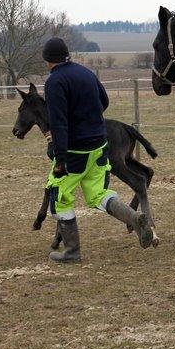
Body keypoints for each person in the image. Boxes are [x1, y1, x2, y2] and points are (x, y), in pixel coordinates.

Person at [41, 37, 154, 262]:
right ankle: (134, 218)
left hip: (75, 152)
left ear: (47, 60)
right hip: (99, 146)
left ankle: (72, 252)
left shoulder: (54, 82)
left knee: (59, 196)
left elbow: (59, 123)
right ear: (67, 55)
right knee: (97, 195)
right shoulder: (85, 73)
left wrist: (60, 159)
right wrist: (88, 119)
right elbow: (104, 101)